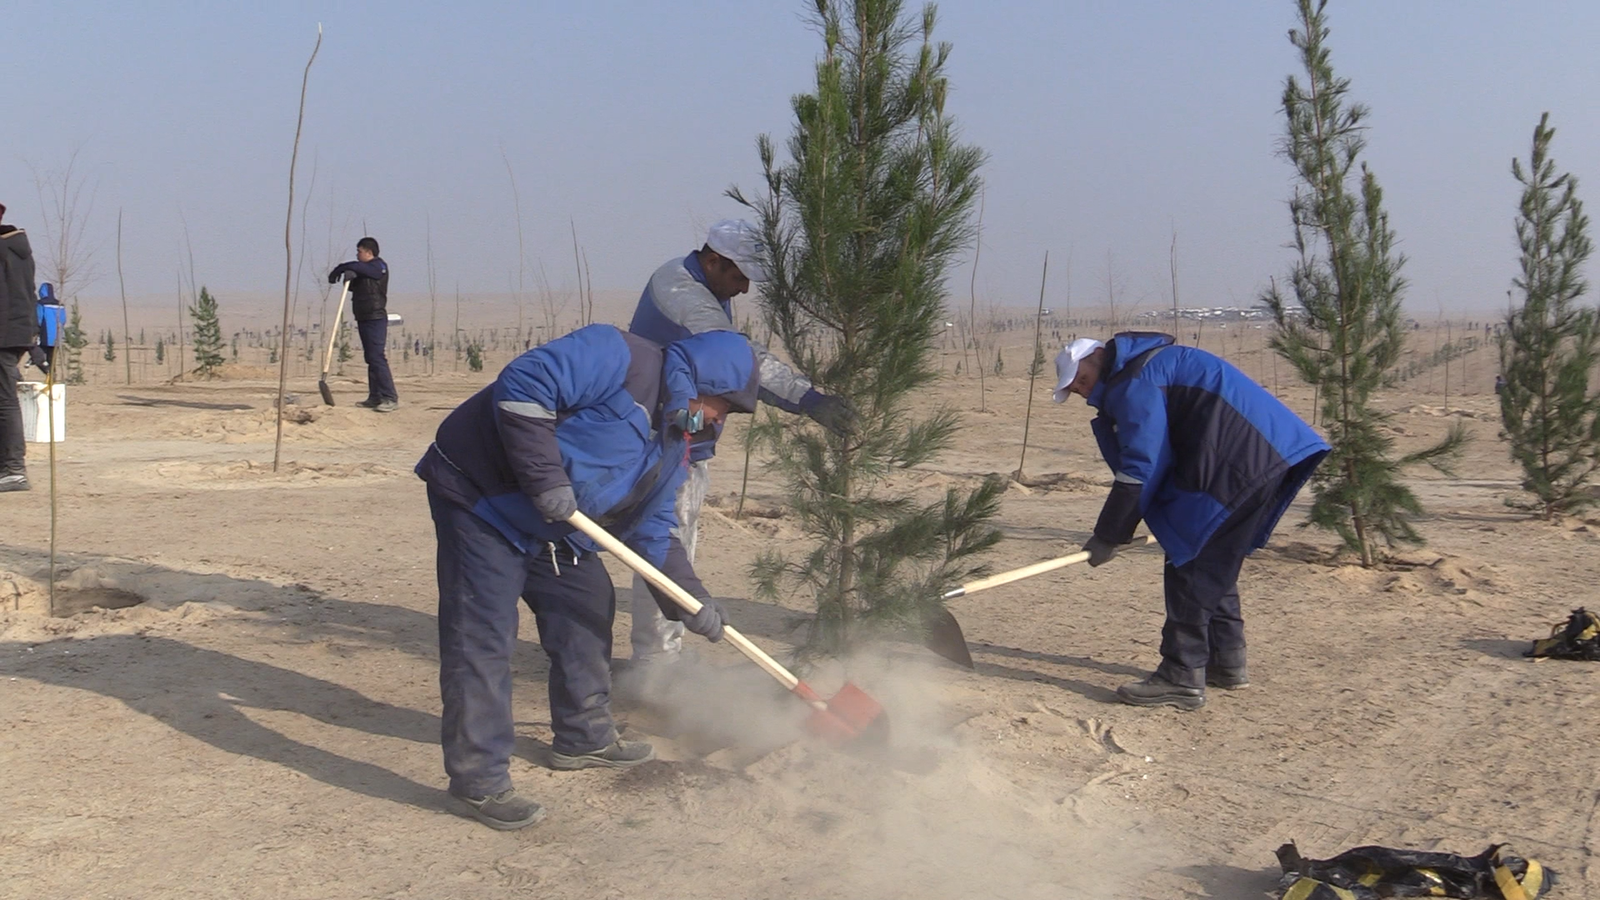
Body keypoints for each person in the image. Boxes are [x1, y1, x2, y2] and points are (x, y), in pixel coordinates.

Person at [414, 323, 758, 830]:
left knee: (588, 605)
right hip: (482, 497)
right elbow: (525, 384)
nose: (717, 420)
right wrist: (546, 478)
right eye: (722, 407)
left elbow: (654, 530)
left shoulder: (674, 443)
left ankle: (585, 735)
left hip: (558, 523)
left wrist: (690, 599)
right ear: (706, 382)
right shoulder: (620, 355)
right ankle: (478, 781)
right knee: (482, 637)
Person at [1054, 332, 1329, 710]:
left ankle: (1180, 676)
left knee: (1190, 561)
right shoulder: (1146, 368)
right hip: (1256, 456)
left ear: (1099, 356)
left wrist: (1108, 534)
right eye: (1075, 390)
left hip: (1239, 462)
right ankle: (1226, 661)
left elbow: (1142, 465)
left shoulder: (1136, 379)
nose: (1083, 392)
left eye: (1081, 380)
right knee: (1212, 559)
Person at [625, 219, 852, 666]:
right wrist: (808, 399)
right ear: (713, 261)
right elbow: (742, 360)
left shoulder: (697, 282)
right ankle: (655, 665)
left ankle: (658, 657)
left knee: (672, 542)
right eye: (740, 278)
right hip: (661, 438)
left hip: (675, 428)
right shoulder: (686, 297)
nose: (746, 290)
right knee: (665, 545)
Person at [328, 237, 396, 411]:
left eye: (359, 251)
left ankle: (390, 397)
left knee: (377, 357)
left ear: (368, 252)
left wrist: (341, 268)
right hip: (363, 317)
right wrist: (348, 278)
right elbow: (355, 283)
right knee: (370, 358)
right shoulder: (364, 271)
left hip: (375, 318)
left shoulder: (379, 267)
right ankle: (375, 396)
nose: (357, 255)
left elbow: (362, 268)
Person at [0, 203, 38, 491]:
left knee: (5, 402)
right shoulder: (20, 251)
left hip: (3, 335)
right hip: (16, 333)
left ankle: (13, 469)